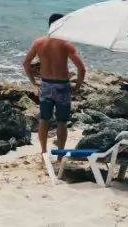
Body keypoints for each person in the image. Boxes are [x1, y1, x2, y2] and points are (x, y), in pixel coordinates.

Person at [22, 13, 86, 154]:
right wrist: (78, 86)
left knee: (44, 119)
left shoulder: (39, 43)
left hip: (46, 85)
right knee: (62, 122)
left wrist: (33, 81)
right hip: (62, 86)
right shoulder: (66, 44)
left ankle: (44, 152)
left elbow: (26, 63)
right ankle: (60, 155)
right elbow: (81, 68)